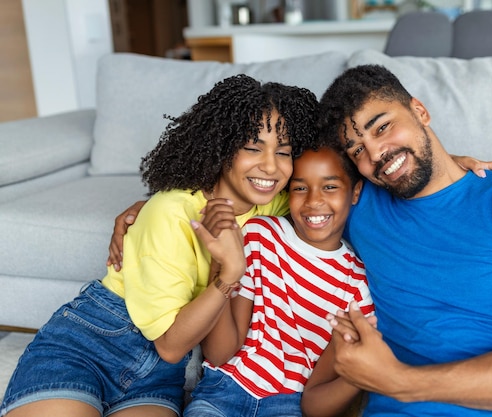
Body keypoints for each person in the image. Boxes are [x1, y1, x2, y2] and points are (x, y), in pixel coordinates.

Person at [0, 74, 319, 417]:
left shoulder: (271, 204)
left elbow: (331, 187)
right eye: (252, 148)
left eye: (283, 152)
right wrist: (230, 273)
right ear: (221, 146)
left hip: (156, 376)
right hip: (92, 343)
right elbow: (170, 344)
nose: (270, 166)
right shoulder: (170, 213)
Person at [301, 64, 492, 417]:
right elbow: (283, 180)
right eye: (357, 151)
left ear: (420, 111)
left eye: (383, 127)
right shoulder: (359, 205)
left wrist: (400, 381)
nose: (377, 153)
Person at [184, 142, 375, 417]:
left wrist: (359, 374)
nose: (313, 201)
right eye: (300, 188)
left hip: (288, 406)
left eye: (330, 186)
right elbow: (219, 352)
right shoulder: (261, 236)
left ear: (355, 191)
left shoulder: (356, 286)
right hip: (223, 391)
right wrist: (221, 261)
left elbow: (314, 405)